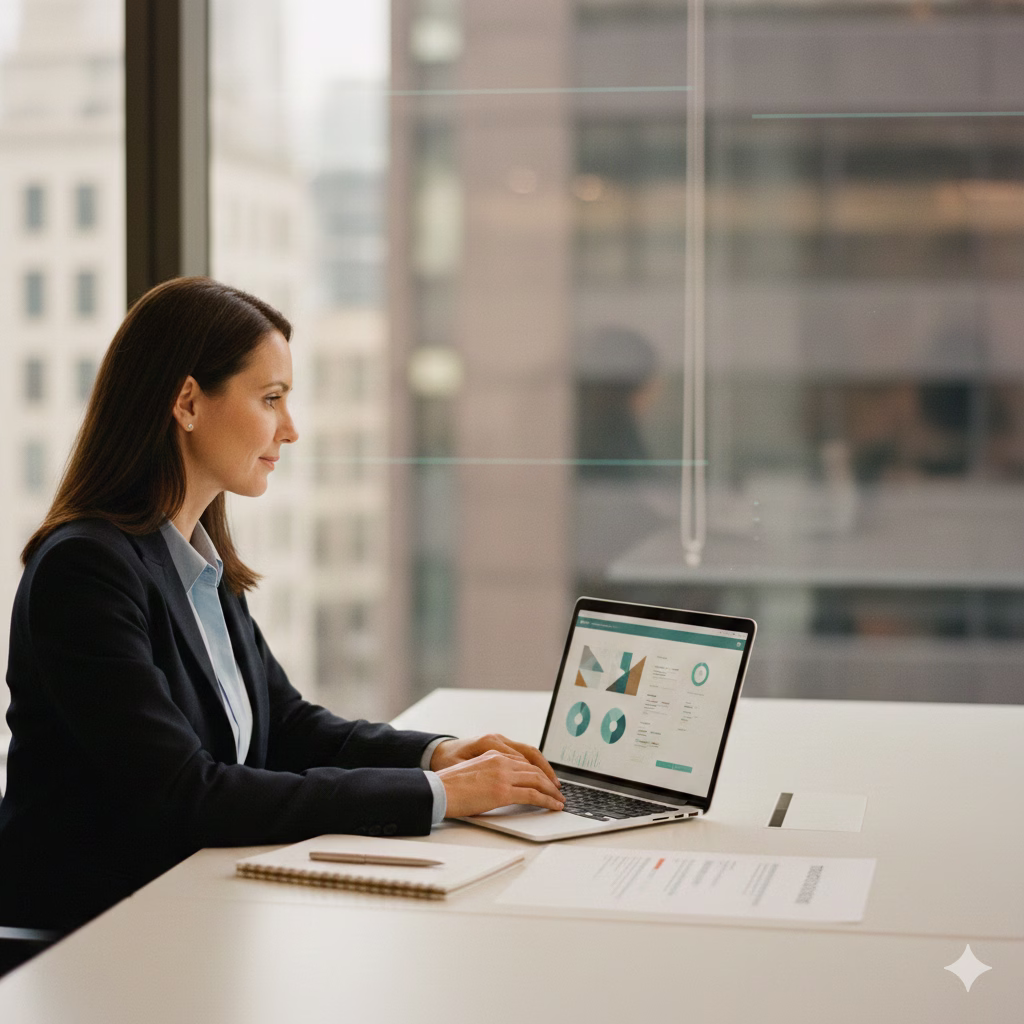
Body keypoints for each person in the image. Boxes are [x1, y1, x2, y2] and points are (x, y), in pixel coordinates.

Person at [0, 277, 563, 933]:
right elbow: (185, 794)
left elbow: (287, 728)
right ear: (186, 401)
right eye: (271, 399)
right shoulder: (86, 570)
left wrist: (438, 756)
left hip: (195, 910)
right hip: (92, 935)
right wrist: (437, 797)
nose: (289, 430)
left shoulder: (198, 559)